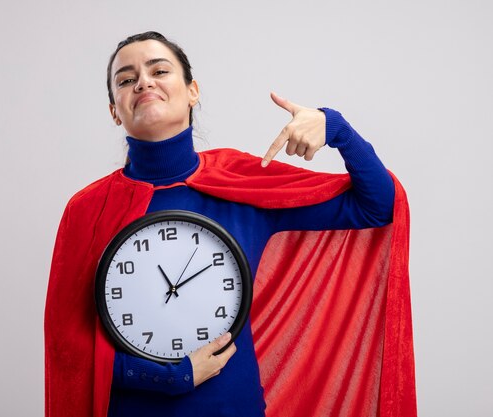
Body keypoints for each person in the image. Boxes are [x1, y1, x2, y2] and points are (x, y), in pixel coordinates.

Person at [44, 31, 416, 417]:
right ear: (114, 110)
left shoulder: (241, 182)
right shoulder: (86, 209)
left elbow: (378, 205)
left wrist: (336, 128)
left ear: (192, 91)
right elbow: (67, 349)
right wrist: (172, 377)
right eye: (126, 79)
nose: (143, 82)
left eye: (159, 70)